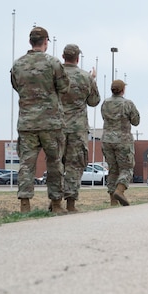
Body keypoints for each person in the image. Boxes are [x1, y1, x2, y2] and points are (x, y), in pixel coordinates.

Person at [10, 26, 69, 214]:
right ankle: (57, 204)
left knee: (26, 164)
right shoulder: (53, 63)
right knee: (54, 163)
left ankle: (25, 205)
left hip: (27, 123)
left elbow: (15, 85)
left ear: (30, 42)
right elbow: (64, 86)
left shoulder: (18, 64)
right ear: (45, 42)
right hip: (51, 123)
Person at [58, 43, 100, 213]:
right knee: (75, 165)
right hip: (77, 128)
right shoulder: (85, 77)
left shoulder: (54, 74)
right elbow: (94, 101)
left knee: (56, 164)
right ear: (77, 58)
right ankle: (70, 203)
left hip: (57, 126)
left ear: (63, 56)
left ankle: (54, 201)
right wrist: (92, 80)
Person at [101, 79, 139, 206]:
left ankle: (113, 200)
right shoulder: (127, 104)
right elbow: (136, 121)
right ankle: (120, 190)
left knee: (113, 169)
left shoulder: (105, 103)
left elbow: (103, 117)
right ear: (123, 90)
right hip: (123, 140)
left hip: (107, 139)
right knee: (126, 168)